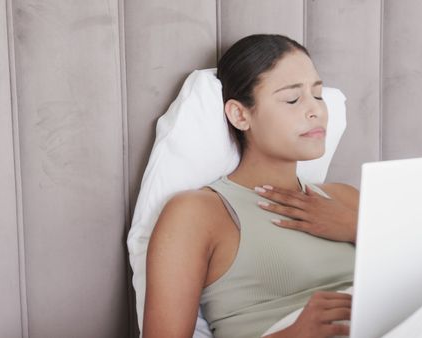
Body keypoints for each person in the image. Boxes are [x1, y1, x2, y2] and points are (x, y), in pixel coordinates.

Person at [144, 34, 359, 338]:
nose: (317, 111)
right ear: (240, 114)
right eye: (292, 99)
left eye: (319, 95)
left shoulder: (346, 200)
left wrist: (357, 227)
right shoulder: (198, 214)